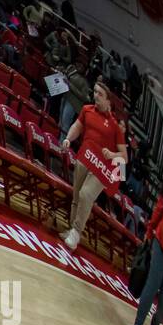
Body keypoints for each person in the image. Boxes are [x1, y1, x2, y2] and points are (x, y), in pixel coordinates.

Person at [59, 80, 126, 250]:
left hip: (102, 169)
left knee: (86, 195)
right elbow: (77, 126)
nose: (96, 95)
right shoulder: (86, 110)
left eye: (100, 94)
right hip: (84, 158)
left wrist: (112, 155)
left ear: (108, 102)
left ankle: (76, 232)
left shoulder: (115, 127)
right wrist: (68, 138)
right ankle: (71, 230)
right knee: (76, 197)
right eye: (95, 92)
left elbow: (124, 157)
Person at [124, 175, 163, 325]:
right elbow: (160, 206)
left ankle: (156, 323)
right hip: (162, 239)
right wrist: (150, 230)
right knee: (152, 286)